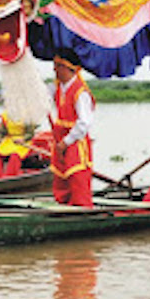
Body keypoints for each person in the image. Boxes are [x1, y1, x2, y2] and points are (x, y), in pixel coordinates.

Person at [47, 48, 94, 207]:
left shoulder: (81, 92)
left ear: (69, 68)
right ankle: (63, 209)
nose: (54, 70)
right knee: (60, 180)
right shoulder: (57, 87)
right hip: (60, 139)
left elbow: (84, 123)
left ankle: (82, 210)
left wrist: (66, 142)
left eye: (58, 65)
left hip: (75, 141)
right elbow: (41, 97)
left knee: (77, 177)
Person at [0, 111, 32, 178]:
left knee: (15, 156)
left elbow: (30, 133)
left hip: (23, 142)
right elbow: (1, 131)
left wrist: (23, 139)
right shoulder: (6, 115)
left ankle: (10, 177)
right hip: (9, 141)